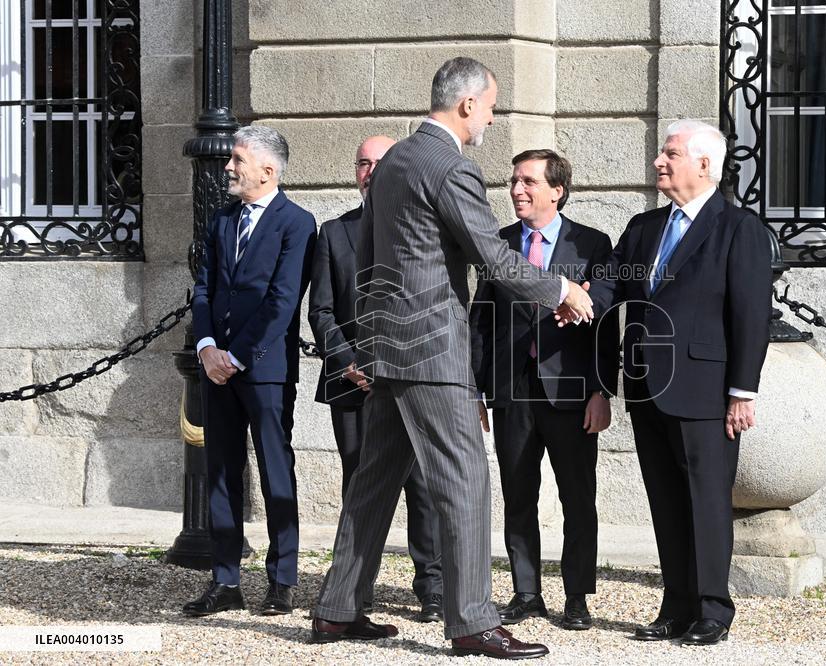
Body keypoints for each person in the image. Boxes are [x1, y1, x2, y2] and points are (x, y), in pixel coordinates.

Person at [309, 57, 593, 659]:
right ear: (466, 104)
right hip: (435, 353)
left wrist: (377, 338)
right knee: (465, 479)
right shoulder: (450, 167)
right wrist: (562, 289)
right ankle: (470, 622)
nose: (492, 115)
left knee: (374, 483)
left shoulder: (393, 164)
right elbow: (492, 256)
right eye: (491, 105)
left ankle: (336, 610)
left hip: (393, 349)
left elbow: (366, 258)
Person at [583, 119, 771, 645]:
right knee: (665, 500)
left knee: (707, 500)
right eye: (661, 154)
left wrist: (742, 392)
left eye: (670, 154)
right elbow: (610, 282)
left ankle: (713, 609)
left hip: (707, 393)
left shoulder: (740, 229)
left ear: (704, 165)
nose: (659, 163)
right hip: (647, 389)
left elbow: (750, 317)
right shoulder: (644, 228)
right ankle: (676, 605)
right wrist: (576, 301)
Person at [469, 149, 618, 631]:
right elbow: (481, 322)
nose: (517, 190)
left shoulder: (592, 244)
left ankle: (577, 597)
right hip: (512, 392)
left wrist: (602, 391)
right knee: (517, 494)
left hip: (573, 395)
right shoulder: (500, 244)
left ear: (557, 190)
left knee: (578, 498)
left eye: (528, 182)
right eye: (514, 181)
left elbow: (604, 323)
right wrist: (475, 390)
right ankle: (526, 592)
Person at [308, 135, 444, 623]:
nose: (369, 170)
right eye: (361, 162)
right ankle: (354, 590)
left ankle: (432, 586)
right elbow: (321, 310)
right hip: (353, 384)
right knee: (359, 485)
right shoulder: (333, 233)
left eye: (378, 162)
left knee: (423, 486)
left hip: (408, 378)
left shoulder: (419, 227)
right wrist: (348, 360)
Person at [187, 125, 316, 617]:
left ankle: (282, 579)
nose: (228, 167)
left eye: (237, 159)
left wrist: (235, 356)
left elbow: (283, 301)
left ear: (268, 169)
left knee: (275, 470)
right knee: (219, 469)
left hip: (262, 369)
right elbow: (202, 288)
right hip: (213, 367)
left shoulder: (296, 223)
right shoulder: (221, 220)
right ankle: (225, 580)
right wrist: (205, 347)